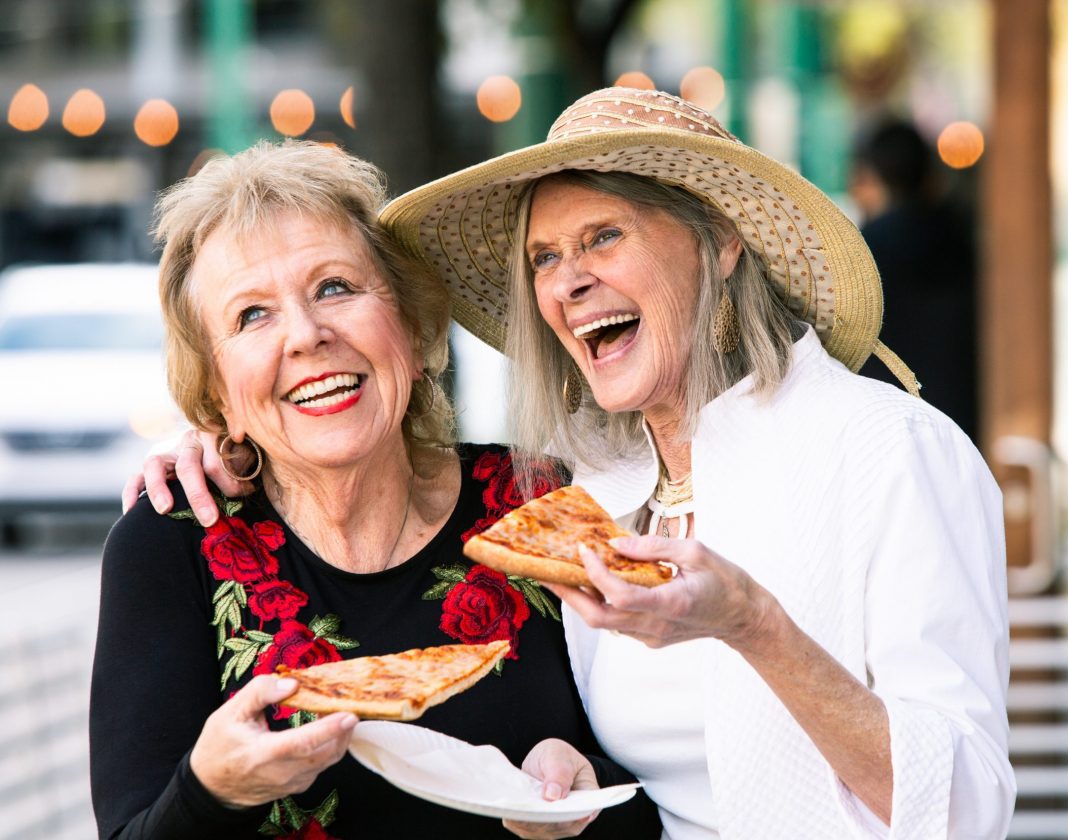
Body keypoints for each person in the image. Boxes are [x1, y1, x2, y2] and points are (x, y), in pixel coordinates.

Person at [136, 89, 1015, 839]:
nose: (568, 282)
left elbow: (969, 809)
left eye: (603, 237)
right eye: (544, 259)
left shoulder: (886, 450)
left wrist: (752, 623)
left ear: (720, 242)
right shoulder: (587, 486)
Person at [91, 140, 660, 840]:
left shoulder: (544, 504)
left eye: (335, 287)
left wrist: (585, 790)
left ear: (416, 330)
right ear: (217, 393)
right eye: (252, 315)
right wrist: (208, 791)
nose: (306, 335)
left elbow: (671, 791)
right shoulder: (173, 544)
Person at [849, 118, 981, 443]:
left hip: (892, 431)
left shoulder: (863, 255)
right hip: (967, 423)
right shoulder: (961, 238)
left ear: (870, 179)